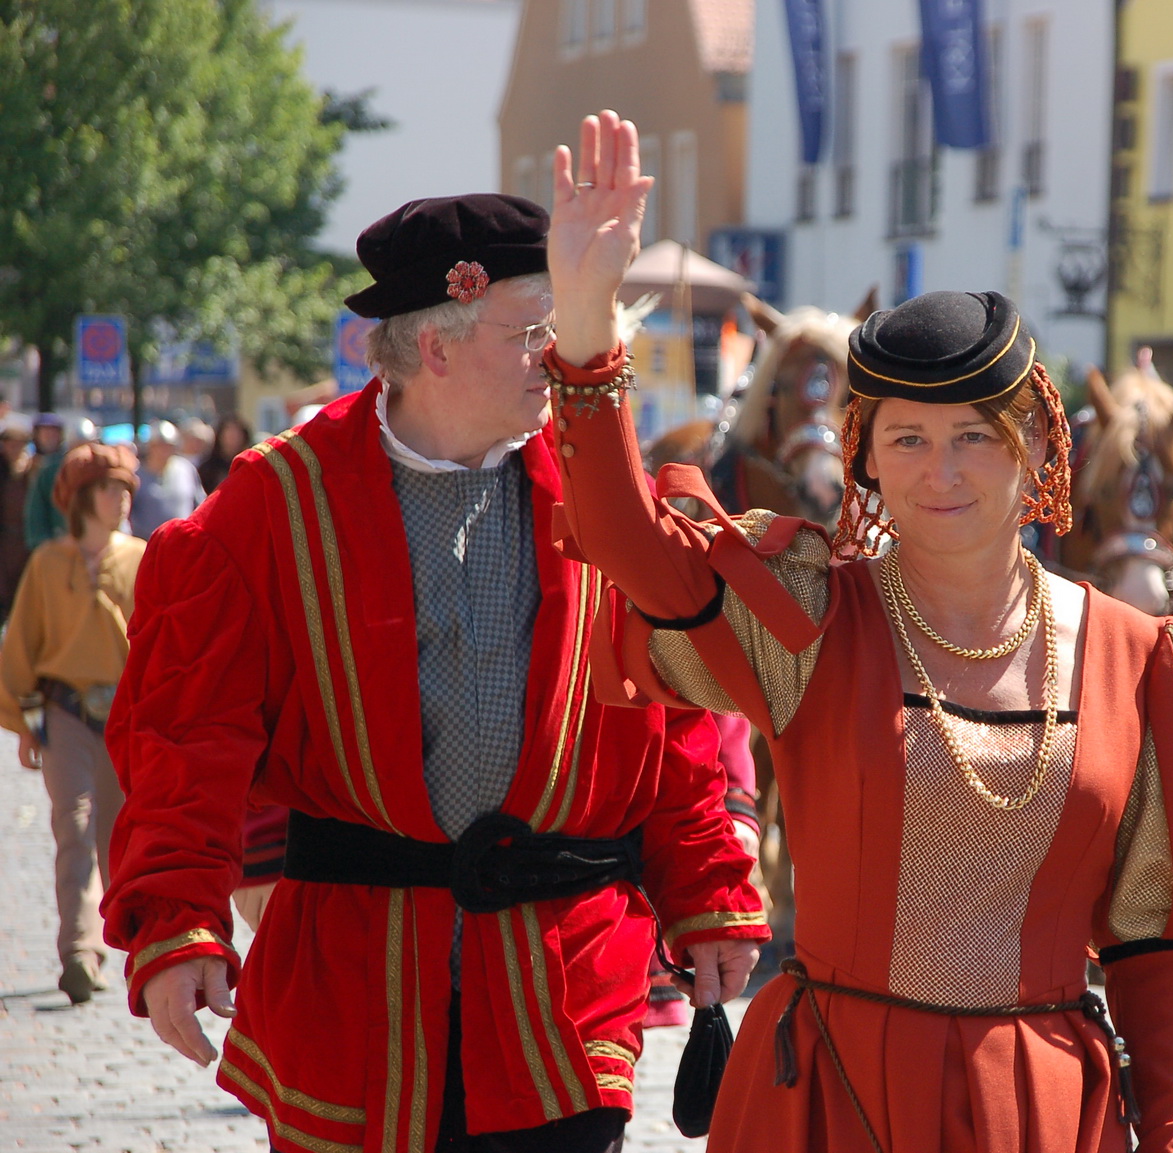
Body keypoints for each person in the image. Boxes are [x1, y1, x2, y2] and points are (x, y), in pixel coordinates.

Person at [543, 109, 1173, 1153]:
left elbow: (1156, 941)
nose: (944, 469)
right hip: (830, 1093)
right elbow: (627, 541)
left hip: (1048, 1104)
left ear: (1035, 454)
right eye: (909, 439)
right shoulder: (809, 618)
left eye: (977, 437)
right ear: (867, 460)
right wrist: (584, 311)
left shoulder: (1140, 660)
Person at [100, 192, 768, 1153]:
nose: (557, 353)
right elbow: (183, 733)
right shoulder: (273, 504)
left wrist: (709, 890)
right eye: (533, 330)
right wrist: (176, 921)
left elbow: (678, 725)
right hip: (352, 989)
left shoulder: (607, 492)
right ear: (437, 349)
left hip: (561, 988)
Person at [0, 443, 145, 1003]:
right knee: (74, 829)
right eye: (111, 489)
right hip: (65, 717)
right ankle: (79, 951)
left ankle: (126, 942)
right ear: (83, 498)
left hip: (128, 720)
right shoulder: (46, 564)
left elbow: (159, 647)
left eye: (128, 489)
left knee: (119, 839)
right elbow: (22, 657)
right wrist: (31, 729)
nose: (122, 498)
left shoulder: (141, 557)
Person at [129, 421, 206, 538]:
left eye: (169, 446)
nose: (164, 450)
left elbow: (200, 504)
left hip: (182, 542)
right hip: (146, 545)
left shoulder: (186, 469)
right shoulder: (136, 475)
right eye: (159, 445)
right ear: (150, 446)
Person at [0, 417, 35, 618]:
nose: (14, 449)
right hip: (5, 543)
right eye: (10, 444)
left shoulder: (35, 470)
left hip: (28, 542)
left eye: (19, 444)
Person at [23, 413, 67, 551]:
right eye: (45, 433)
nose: (49, 437)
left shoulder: (65, 466)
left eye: (53, 433)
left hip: (57, 537)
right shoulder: (23, 465)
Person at [196, 415, 252, 494]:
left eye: (237, 432)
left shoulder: (249, 465)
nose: (232, 435)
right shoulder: (207, 468)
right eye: (228, 431)